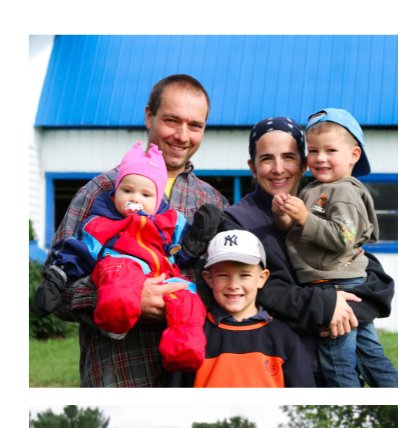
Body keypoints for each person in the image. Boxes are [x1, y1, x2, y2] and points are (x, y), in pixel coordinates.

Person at [42, 74, 226, 387]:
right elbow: (55, 289)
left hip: (193, 377)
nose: (183, 135)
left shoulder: (212, 202)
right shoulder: (100, 192)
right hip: (121, 375)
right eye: (171, 120)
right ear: (149, 116)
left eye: (195, 125)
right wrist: (116, 296)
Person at [220, 117, 398, 386]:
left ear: (302, 163)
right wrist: (325, 307)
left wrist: (347, 310)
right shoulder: (236, 220)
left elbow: (368, 272)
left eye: (289, 157)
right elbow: (258, 289)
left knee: (370, 364)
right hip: (281, 364)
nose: (278, 169)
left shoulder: (326, 197)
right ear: (252, 167)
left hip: (336, 340)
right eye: (267, 158)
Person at [273, 109, 398, 387]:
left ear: (353, 155)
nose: (320, 158)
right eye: (314, 150)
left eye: (331, 150)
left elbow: (342, 238)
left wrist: (304, 218)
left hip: (335, 285)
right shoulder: (316, 188)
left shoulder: (342, 192)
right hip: (340, 281)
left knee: (337, 363)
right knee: (370, 356)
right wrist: (284, 216)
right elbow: (299, 236)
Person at [54, 141, 207, 373]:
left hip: (162, 275)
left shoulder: (171, 219)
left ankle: (183, 350)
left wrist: (198, 237)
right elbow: (81, 251)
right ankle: (116, 319)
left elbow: (184, 251)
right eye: (127, 191)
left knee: (188, 297)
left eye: (145, 194)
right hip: (120, 265)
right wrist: (60, 273)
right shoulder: (101, 218)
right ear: (115, 191)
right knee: (120, 275)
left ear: (157, 201)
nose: (135, 198)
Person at [177, 229, 314, 387]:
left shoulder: (284, 338)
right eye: (223, 275)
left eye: (245, 275)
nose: (234, 285)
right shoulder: (192, 335)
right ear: (209, 278)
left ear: (262, 278)